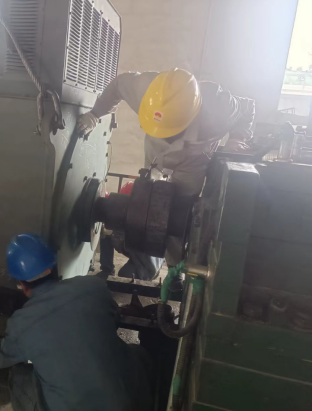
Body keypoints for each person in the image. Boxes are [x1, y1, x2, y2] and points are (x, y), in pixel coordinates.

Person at [78, 68, 255, 279]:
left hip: (194, 161)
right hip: (155, 150)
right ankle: (143, 259)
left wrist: (237, 138)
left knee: (181, 211)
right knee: (145, 196)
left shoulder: (219, 108)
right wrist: (94, 114)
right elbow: (117, 86)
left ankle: (175, 270)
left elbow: (248, 108)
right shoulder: (147, 90)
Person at [0, 234, 153, 411]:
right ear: (54, 265)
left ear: (21, 284)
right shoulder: (94, 286)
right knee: (134, 352)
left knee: (19, 375)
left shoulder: (22, 323)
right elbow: (114, 319)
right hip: (132, 402)